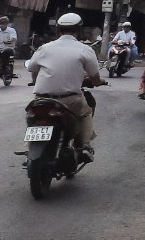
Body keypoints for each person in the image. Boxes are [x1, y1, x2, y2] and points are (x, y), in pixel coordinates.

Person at [27, 13, 102, 161]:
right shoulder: (85, 50)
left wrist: (35, 81)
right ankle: (84, 146)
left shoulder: (44, 48)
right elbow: (95, 77)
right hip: (69, 100)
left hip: (41, 99)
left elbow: (33, 70)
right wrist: (98, 82)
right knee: (85, 113)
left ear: (58, 29)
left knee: (32, 116)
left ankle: (28, 147)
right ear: (79, 30)